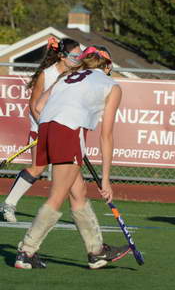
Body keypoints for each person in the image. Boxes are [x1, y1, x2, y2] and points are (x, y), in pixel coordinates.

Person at [14, 45, 129, 269]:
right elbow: (106, 136)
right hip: (68, 131)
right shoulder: (112, 86)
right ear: (107, 66)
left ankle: (96, 251)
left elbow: (38, 106)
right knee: (57, 196)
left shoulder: (67, 75)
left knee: (78, 193)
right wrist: (106, 179)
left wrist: (56, 126)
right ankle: (26, 252)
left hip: (46, 128)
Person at [0, 37, 82, 222]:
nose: (79, 59)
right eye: (75, 55)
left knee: (68, 171)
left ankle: (78, 213)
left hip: (64, 129)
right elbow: (34, 104)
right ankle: (9, 205)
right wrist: (46, 128)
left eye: (80, 55)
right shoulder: (47, 74)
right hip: (41, 127)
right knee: (38, 168)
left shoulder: (78, 75)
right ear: (62, 56)